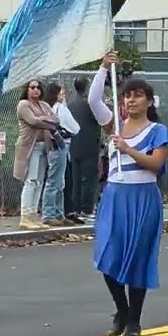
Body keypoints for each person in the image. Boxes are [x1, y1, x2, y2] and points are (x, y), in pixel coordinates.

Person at [88, 53, 168, 336]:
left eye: (138, 96)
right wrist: (103, 68)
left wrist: (128, 149)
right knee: (108, 255)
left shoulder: (158, 130)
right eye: (127, 96)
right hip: (115, 195)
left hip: (143, 197)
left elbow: (156, 164)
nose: (130, 101)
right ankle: (121, 309)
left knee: (138, 258)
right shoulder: (114, 125)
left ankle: (134, 320)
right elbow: (93, 101)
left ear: (149, 102)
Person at [15, 79, 60, 229]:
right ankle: (25, 215)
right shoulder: (23, 105)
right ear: (27, 90)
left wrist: (44, 119)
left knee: (40, 181)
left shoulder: (44, 104)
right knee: (31, 180)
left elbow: (56, 120)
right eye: (32, 87)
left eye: (38, 87)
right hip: (30, 147)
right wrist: (46, 120)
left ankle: (33, 214)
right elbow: (33, 121)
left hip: (43, 147)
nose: (35, 90)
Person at [66, 76, 105, 223]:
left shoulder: (70, 105)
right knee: (89, 180)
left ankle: (75, 208)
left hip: (74, 146)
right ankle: (87, 209)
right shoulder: (90, 105)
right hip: (89, 146)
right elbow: (102, 119)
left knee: (75, 179)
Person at [42, 83, 79, 226]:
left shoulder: (47, 108)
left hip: (53, 145)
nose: (63, 96)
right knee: (55, 181)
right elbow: (75, 128)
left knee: (58, 181)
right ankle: (50, 213)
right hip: (60, 144)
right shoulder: (60, 108)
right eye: (61, 93)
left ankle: (58, 212)